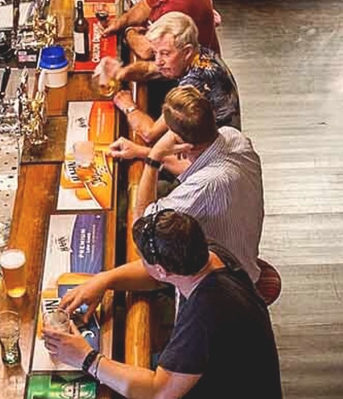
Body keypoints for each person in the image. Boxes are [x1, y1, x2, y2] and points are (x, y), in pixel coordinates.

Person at [44, 210, 285, 399]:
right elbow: (152, 274)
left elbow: (159, 396)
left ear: (162, 269)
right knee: (112, 381)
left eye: (144, 259)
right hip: (223, 381)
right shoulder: (210, 255)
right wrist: (104, 280)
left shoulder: (205, 313)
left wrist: (85, 358)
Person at [110, 85, 263, 279]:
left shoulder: (205, 186)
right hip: (243, 253)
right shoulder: (234, 137)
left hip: (227, 280)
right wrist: (142, 151)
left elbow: (143, 225)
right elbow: (193, 167)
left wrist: (154, 158)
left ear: (180, 141)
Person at [106, 12, 240, 144]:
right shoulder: (197, 54)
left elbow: (150, 134)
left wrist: (128, 106)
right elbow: (149, 69)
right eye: (155, 53)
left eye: (165, 53)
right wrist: (120, 72)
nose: (158, 61)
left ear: (187, 51)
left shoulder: (194, 82)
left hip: (217, 154)